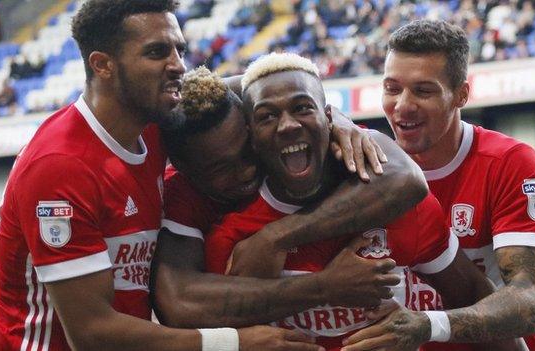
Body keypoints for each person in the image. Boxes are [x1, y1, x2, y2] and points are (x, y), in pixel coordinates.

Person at [0, 1, 328, 350]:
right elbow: (92, 335)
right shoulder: (60, 166)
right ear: (103, 65)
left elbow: (256, 88)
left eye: (179, 49)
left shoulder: (154, 124)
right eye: (157, 53)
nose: (179, 65)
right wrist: (234, 343)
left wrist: (334, 123)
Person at [202, 52, 519, 351]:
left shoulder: (395, 203)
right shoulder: (234, 233)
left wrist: (425, 325)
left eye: (302, 108)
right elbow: (211, 324)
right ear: (251, 134)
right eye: (267, 116)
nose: (288, 125)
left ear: (330, 120)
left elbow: (474, 294)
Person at [340, 19, 535, 351]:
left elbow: (531, 300)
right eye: (392, 88)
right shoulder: (364, 158)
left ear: (461, 95)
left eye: (423, 91)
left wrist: (428, 325)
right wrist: (332, 118)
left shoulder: (509, 162)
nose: (403, 105)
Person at [152, 66, 427, 328]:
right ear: (182, 168)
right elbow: (179, 303)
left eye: (248, 151)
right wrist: (322, 288)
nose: (247, 171)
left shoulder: (320, 149)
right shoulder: (182, 193)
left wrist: (277, 237)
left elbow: (406, 179)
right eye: (221, 169)